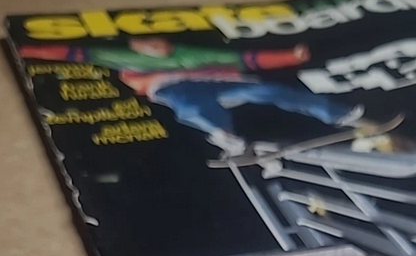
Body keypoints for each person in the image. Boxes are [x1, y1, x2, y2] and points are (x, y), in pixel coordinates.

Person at [20, 38, 365, 155]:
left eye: (159, 45)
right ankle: (224, 133)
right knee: (189, 102)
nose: (154, 50)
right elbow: (71, 52)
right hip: (172, 87)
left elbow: (249, 59)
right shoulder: (120, 55)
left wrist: (290, 56)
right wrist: (23, 48)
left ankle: (336, 113)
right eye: (146, 46)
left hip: (218, 81)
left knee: (269, 90)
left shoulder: (193, 54)